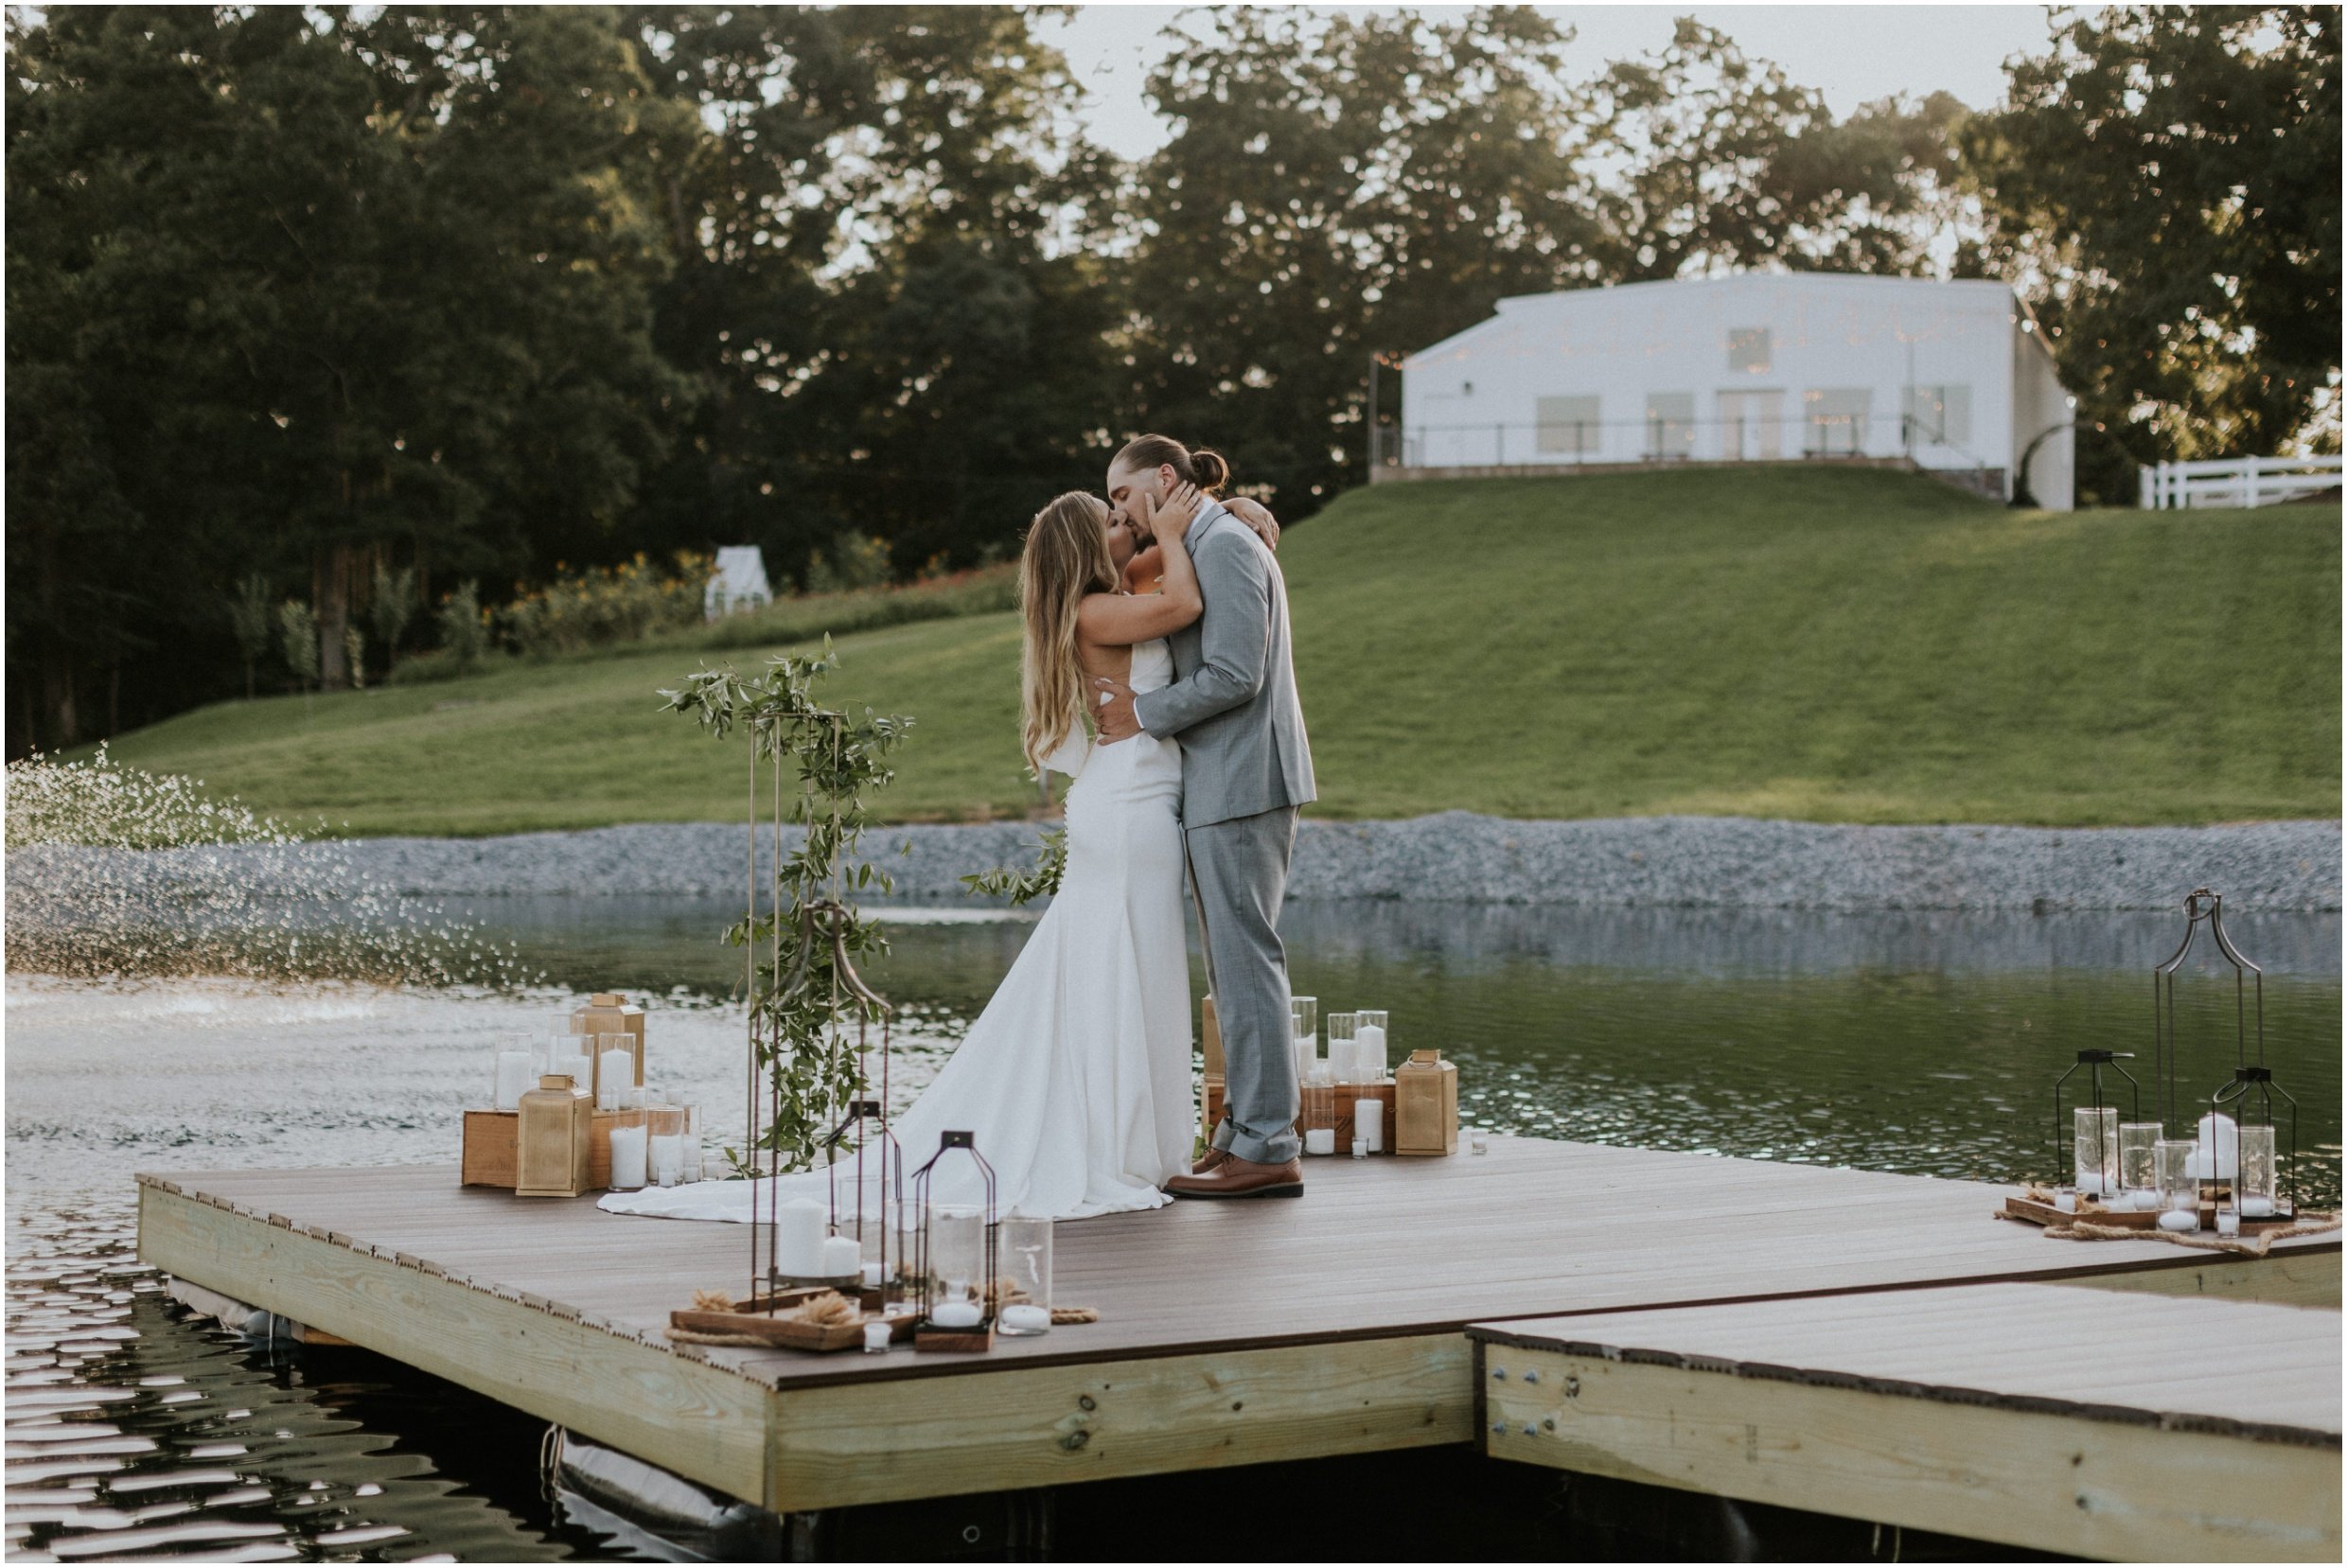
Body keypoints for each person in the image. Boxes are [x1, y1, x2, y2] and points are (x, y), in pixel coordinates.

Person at [602, 473, 1283, 1223]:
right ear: (1094, 547)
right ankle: (1112, 1144)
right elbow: (1185, 600)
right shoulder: (1101, 608)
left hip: (1134, 804)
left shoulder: (1110, 592)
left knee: (1121, 964)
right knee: (1119, 963)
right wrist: (1186, 534)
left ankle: (1133, 1139)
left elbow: (1185, 559)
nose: (1135, 527)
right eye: (1116, 522)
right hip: (1127, 810)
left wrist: (1236, 510)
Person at [1093, 433, 1316, 1199]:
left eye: (1122, 495)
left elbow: (1234, 672)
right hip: (1227, 781)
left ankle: (1268, 1144)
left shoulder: (1223, 544)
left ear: (1162, 477)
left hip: (1243, 779)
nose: (1118, 509)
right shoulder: (1208, 533)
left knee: (1247, 961)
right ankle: (1241, 1133)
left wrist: (1141, 714)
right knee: (1232, 965)